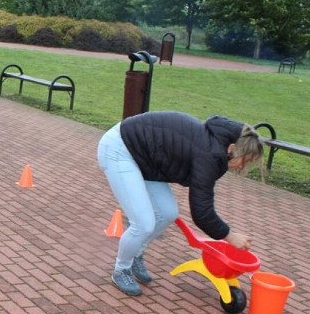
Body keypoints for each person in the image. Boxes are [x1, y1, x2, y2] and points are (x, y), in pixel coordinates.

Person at [96, 111, 264, 297]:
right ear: (232, 148)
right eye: (244, 160)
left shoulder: (217, 147)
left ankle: (135, 254)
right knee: (143, 223)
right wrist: (230, 236)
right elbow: (201, 211)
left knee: (168, 213)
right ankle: (121, 269)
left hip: (145, 159)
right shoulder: (209, 154)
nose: (242, 166)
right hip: (120, 149)